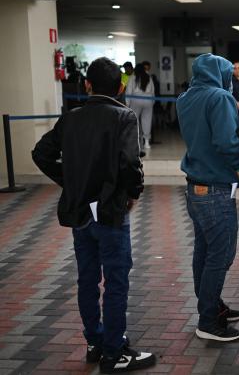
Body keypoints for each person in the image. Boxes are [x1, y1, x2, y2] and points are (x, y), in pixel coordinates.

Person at [31, 57, 155, 373]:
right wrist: (133, 192)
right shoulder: (123, 116)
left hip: (79, 214)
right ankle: (114, 353)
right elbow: (130, 163)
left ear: (86, 85)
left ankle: (95, 342)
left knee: (87, 278)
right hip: (111, 212)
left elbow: (40, 153)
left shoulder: (70, 118)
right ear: (120, 86)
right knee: (115, 280)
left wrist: (71, 181)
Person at [176, 53, 239, 342]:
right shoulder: (219, 97)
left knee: (204, 252)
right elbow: (226, 140)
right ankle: (208, 321)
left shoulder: (186, 98)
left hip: (195, 188)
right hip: (216, 188)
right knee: (222, 253)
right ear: (222, 73)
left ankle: (211, 306)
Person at [126, 63, 155, 150]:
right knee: (147, 120)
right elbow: (153, 91)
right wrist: (152, 102)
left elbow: (128, 91)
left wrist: (127, 104)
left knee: (134, 120)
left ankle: (136, 142)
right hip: (148, 99)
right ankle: (146, 142)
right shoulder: (148, 77)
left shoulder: (132, 77)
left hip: (136, 99)